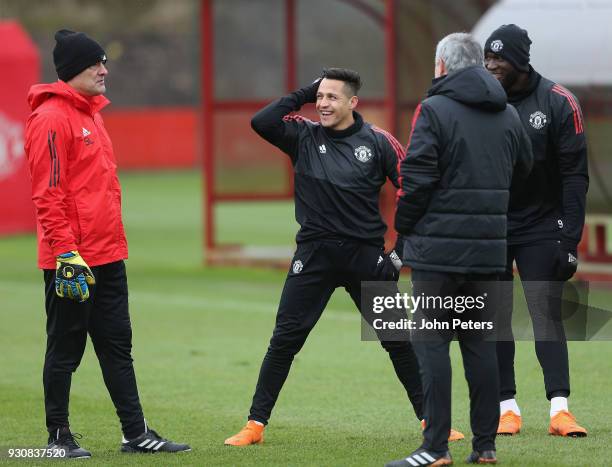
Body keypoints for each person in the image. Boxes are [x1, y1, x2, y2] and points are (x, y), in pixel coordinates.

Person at [224, 67, 463, 447]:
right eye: (319, 97)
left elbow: (418, 196)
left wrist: (399, 256)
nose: (323, 104)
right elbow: (261, 121)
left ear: (353, 102)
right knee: (285, 340)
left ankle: (432, 421)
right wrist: (307, 90)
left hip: (366, 258)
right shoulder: (302, 135)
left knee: (398, 341)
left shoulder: (379, 142)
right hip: (313, 256)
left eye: (332, 97)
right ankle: (255, 425)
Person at [24, 29, 190, 458]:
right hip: (72, 259)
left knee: (118, 344)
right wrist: (66, 254)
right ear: (72, 70)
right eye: (96, 63)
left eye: (104, 62)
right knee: (66, 347)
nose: (104, 69)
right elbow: (49, 194)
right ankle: (58, 437)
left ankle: (135, 434)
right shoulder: (51, 118)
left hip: (108, 253)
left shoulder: (91, 114)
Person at [386, 33, 533, 467]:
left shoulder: (434, 110)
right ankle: (485, 447)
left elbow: (417, 179)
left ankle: (434, 448)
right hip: (489, 254)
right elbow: (524, 169)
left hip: (438, 254)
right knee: (480, 348)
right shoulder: (507, 113)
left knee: (431, 345)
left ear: (442, 66)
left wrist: (404, 228)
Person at [484, 24, 589, 438]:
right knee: (494, 316)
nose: (491, 65)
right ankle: (506, 409)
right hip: (491, 224)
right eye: (487, 58)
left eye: (500, 59)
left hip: (542, 223)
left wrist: (569, 238)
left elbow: (575, 176)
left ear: (521, 61)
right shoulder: (479, 100)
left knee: (547, 314)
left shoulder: (559, 102)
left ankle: (559, 410)